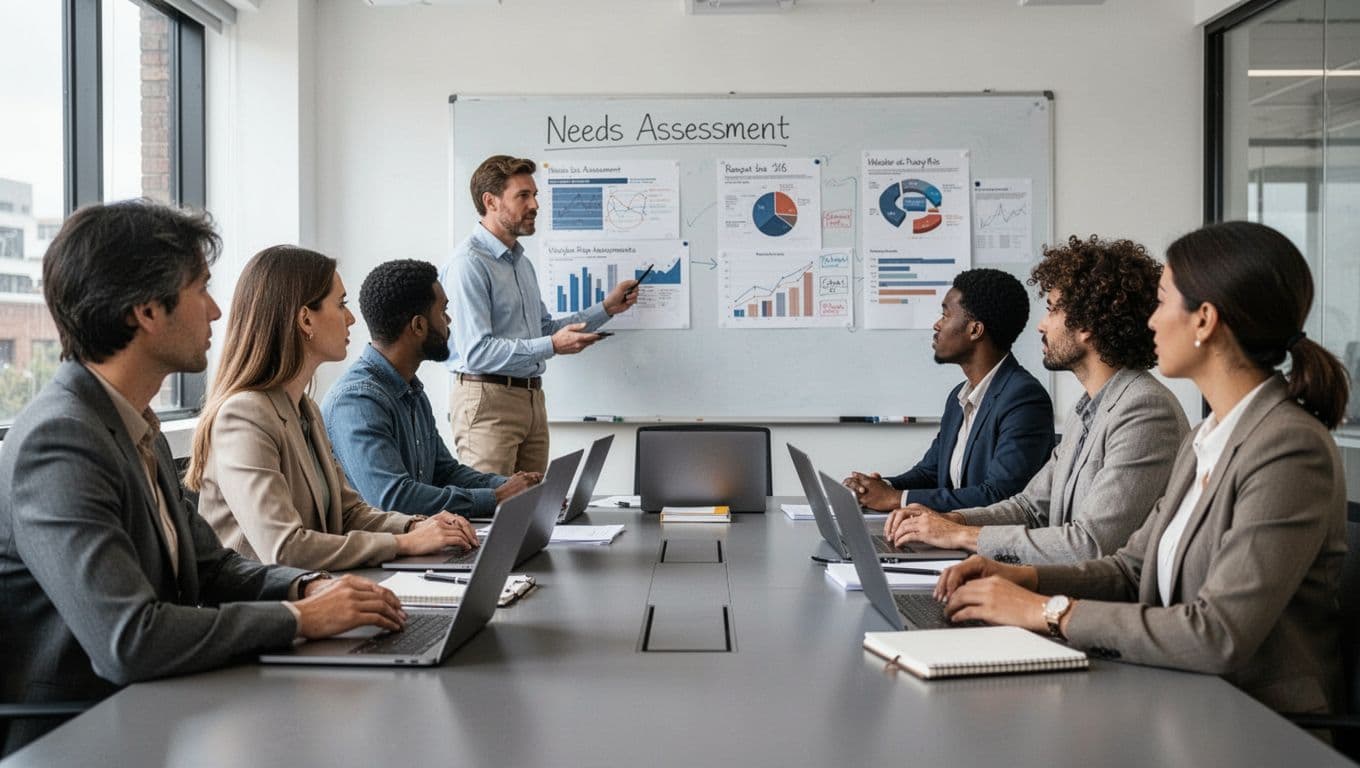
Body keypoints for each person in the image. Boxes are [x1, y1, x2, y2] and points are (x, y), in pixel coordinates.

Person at [0, 201, 405, 755]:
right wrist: (300, 618)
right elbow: (129, 639)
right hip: (79, 735)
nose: (216, 311)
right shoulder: (61, 441)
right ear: (144, 310)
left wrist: (306, 586)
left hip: (158, 708)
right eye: (200, 289)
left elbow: (213, 566)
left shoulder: (133, 421)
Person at [934, 221, 1349, 714]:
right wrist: (1025, 578)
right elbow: (1131, 570)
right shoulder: (1206, 437)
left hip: (1251, 721)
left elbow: (1217, 634)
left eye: (1163, 300)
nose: (1150, 321)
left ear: (1204, 320)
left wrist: (1046, 611)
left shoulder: (1289, 447)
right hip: (1178, 695)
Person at [884, 236, 1189, 563]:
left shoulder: (1144, 410)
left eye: (1053, 309)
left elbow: (1090, 545)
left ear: (1086, 323)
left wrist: (961, 535)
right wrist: (952, 520)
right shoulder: (1087, 410)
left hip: (1093, 606)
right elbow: (1029, 508)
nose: (1041, 325)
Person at [187, 246, 479, 572]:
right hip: (263, 609)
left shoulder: (305, 408)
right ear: (305, 319)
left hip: (319, 591)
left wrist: (414, 526)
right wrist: (403, 542)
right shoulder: (243, 416)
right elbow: (284, 549)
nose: (352, 318)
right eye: (341, 305)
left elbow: (348, 512)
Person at [442, 155, 638, 476]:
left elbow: (543, 329)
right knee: (489, 515)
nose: (535, 205)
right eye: (523, 195)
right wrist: (552, 345)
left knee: (531, 510)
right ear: (490, 201)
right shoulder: (469, 264)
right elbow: (477, 352)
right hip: (488, 401)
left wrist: (606, 309)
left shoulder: (520, 262)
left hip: (531, 398)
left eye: (535, 195)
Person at [322, 259, 541, 517]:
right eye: (443, 311)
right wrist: (495, 498)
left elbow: (444, 471)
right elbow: (393, 498)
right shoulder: (357, 401)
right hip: (380, 553)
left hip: (416, 541)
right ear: (418, 326)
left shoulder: (411, 389)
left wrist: (512, 486)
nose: (448, 321)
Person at [843, 268, 1054, 512]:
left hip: (986, 547)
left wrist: (895, 499)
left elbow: (999, 496)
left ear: (975, 330)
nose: (937, 324)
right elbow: (930, 473)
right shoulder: (959, 396)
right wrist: (876, 488)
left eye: (945, 315)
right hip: (947, 538)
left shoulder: (1023, 398)